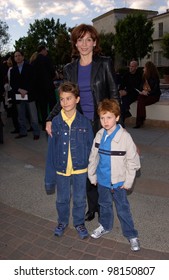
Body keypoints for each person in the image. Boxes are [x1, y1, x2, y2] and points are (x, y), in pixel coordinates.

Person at [45, 23, 120, 221]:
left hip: (102, 123)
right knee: (85, 168)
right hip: (80, 127)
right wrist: (50, 118)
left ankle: (104, 205)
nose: (84, 44)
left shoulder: (104, 63)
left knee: (104, 167)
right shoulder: (69, 69)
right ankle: (92, 206)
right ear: (75, 44)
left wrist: (117, 127)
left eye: (88, 39)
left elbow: (114, 95)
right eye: (80, 39)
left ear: (95, 43)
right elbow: (64, 98)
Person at [88, 99, 141, 251]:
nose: (105, 121)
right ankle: (105, 226)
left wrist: (129, 182)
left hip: (119, 182)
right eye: (102, 117)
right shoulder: (99, 135)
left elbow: (133, 162)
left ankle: (131, 235)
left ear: (117, 117)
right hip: (103, 181)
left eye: (109, 117)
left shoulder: (125, 137)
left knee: (123, 209)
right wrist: (92, 176)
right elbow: (93, 157)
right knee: (104, 205)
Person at [44, 81, 94, 239]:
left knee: (80, 199)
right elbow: (51, 151)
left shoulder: (85, 123)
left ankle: (79, 222)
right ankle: (62, 221)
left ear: (77, 99)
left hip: (80, 169)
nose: (65, 102)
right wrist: (49, 178)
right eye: (62, 99)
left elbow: (92, 149)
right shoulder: (55, 123)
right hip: (61, 169)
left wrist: (93, 172)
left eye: (69, 98)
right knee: (62, 199)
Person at [10, 50, 40, 140]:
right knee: (21, 116)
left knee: (33, 116)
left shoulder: (30, 67)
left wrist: (26, 90)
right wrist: (19, 90)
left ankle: (36, 132)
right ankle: (23, 132)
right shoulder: (13, 70)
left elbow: (33, 80)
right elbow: (12, 83)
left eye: (19, 55)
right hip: (19, 96)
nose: (17, 57)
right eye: (15, 56)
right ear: (14, 58)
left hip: (29, 95)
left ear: (23, 57)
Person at [32, 45, 56, 130]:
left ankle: (44, 125)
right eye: (46, 50)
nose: (47, 52)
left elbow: (33, 78)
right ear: (43, 50)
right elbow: (52, 73)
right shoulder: (47, 59)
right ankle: (54, 124)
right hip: (49, 87)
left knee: (43, 108)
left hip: (39, 89)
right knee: (53, 107)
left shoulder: (34, 62)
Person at [133, 61, 162, 128]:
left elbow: (156, 90)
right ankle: (141, 119)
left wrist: (147, 93)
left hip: (154, 96)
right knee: (140, 98)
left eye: (145, 67)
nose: (143, 69)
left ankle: (140, 121)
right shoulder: (144, 77)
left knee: (140, 101)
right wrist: (142, 91)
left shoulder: (155, 77)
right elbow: (140, 87)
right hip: (145, 95)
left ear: (149, 69)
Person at [119, 60, 142, 125]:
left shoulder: (139, 75)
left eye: (132, 66)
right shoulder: (127, 75)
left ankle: (121, 122)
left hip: (135, 93)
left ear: (136, 67)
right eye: (130, 66)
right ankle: (126, 113)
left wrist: (126, 91)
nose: (131, 68)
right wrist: (120, 90)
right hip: (127, 93)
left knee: (124, 102)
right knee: (123, 101)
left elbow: (136, 87)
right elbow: (122, 84)